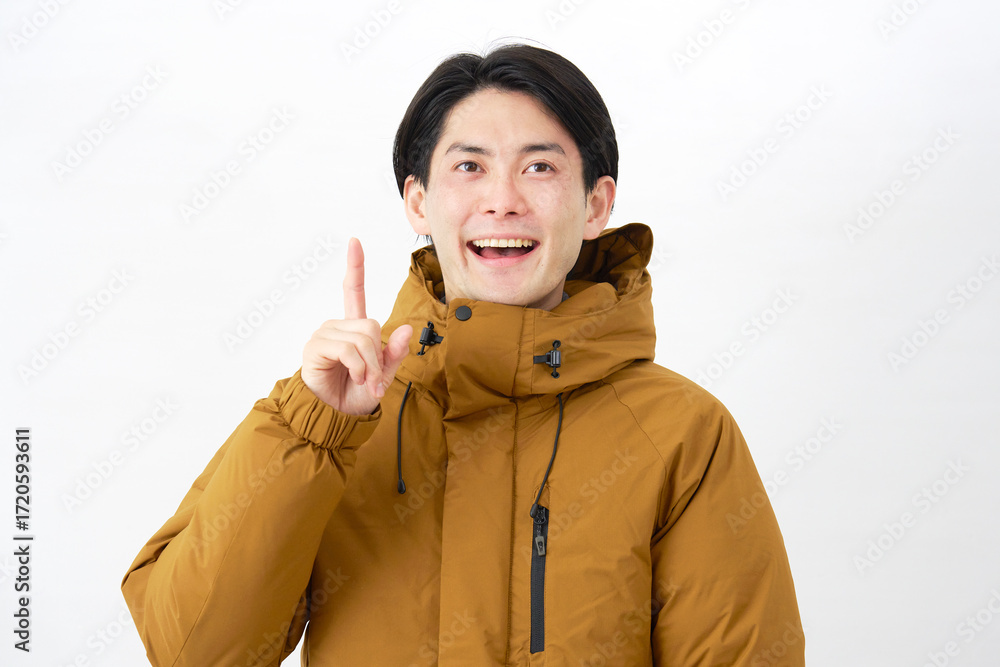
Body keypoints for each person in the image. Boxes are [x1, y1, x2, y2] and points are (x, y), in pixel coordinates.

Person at [122, 43, 804, 666]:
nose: (502, 201)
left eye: (539, 167)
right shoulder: (334, 419)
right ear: (418, 201)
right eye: (469, 167)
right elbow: (195, 652)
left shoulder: (681, 433)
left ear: (596, 205)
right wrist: (313, 430)